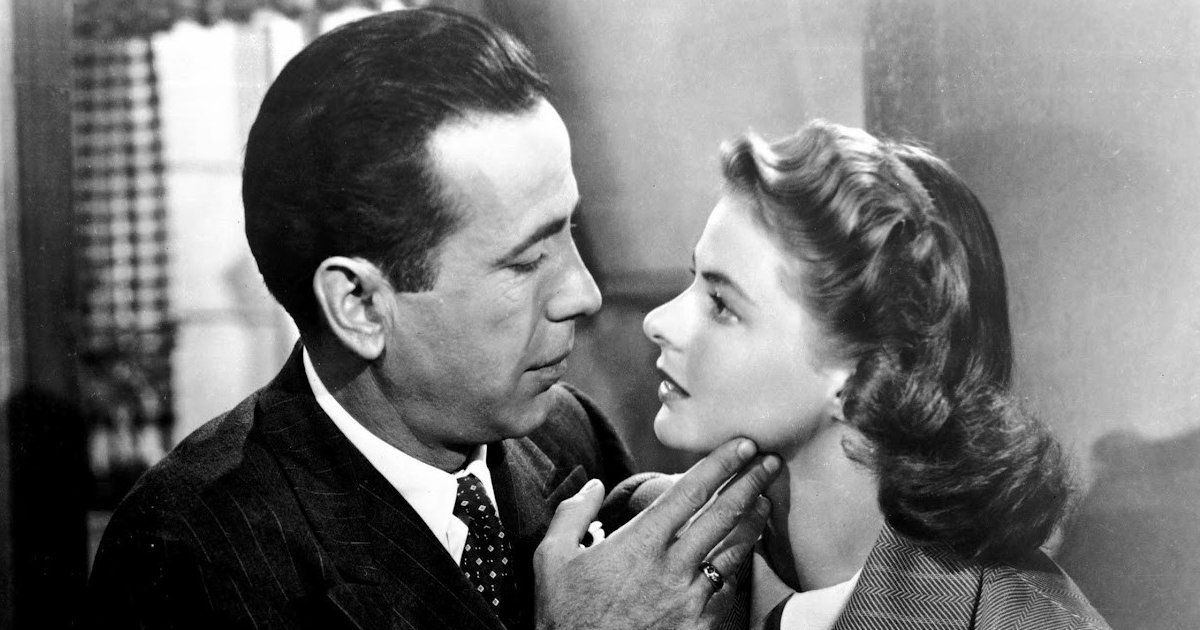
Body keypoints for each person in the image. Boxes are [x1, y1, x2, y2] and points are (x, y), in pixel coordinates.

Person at [81, 8, 780, 630]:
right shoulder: (191, 552)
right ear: (359, 305)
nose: (585, 294)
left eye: (570, 228)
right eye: (525, 261)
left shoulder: (570, 431)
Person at [629, 120, 1111, 629]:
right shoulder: (633, 537)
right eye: (694, 280)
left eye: (721, 304)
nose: (657, 321)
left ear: (864, 370)